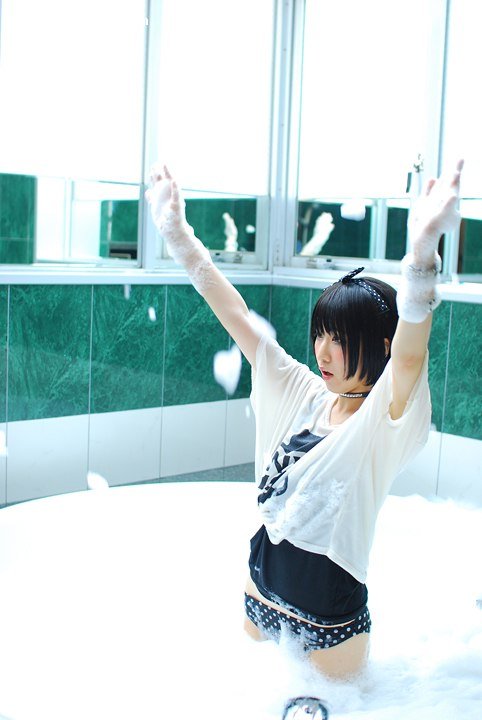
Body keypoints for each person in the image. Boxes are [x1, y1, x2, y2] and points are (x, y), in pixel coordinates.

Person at [146, 159, 464, 680]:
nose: (323, 350)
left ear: (380, 346)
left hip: (328, 624)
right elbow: (236, 315)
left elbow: (409, 357)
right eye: (320, 334)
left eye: (340, 340)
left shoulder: (382, 422)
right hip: (259, 595)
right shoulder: (304, 393)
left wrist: (422, 256)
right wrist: (178, 236)